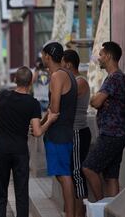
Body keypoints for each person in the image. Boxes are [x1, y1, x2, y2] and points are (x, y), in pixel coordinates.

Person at [0, 66, 58, 217]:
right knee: (22, 193)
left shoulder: (4, 96)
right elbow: (37, 132)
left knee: (1, 192)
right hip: (20, 152)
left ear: (15, 80)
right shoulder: (33, 103)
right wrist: (49, 120)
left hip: (2, 150)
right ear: (31, 82)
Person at [82, 41, 125, 201]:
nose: (99, 58)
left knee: (88, 167)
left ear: (108, 56)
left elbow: (95, 102)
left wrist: (98, 100)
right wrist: (99, 99)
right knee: (111, 176)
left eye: (101, 55)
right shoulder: (116, 77)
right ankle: (113, 210)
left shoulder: (114, 78)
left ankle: (101, 206)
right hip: (118, 134)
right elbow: (97, 100)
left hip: (111, 134)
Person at [41, 41, 77, 217]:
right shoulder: (68, 74)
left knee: (64, 175)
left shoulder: (57, 76)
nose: (42, 58)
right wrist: (41, 122)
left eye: (43, 55)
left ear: (47, 56)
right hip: (64, 132)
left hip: (59, 133)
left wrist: (44, 124)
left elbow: (54, 108)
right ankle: (69, 212)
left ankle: (70, 213)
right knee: (62, 175)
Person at [62, 50, 91, 217]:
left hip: (78, 132)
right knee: (71, 174)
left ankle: (81, 212)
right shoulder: (71, 81)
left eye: (62, 63)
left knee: (77, 173)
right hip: (71, 133)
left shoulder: (79, 82)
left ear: (69, 64)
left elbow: (64, 101)